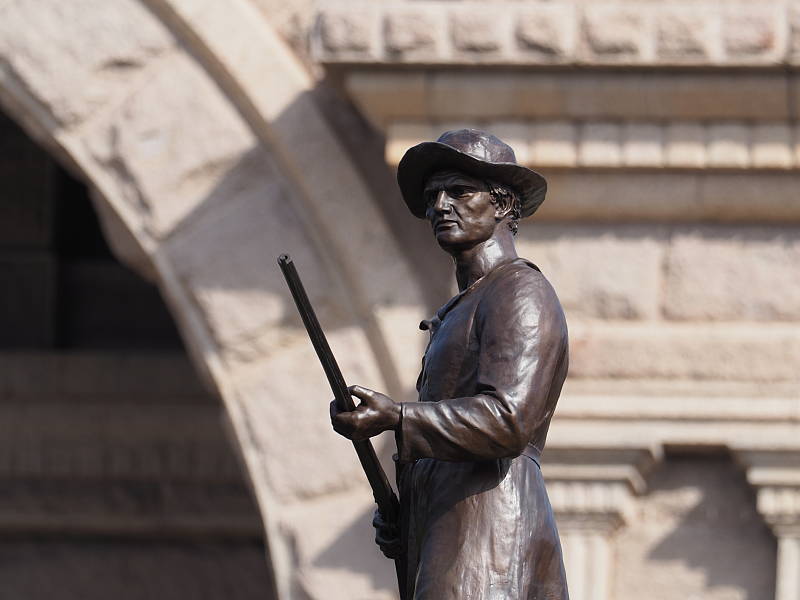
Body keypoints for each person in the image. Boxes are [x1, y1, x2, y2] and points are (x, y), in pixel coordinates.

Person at [330, 129, 570, 600]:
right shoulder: (462, 307)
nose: (440, 205)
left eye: (459, 191)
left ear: (503, 204)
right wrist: (407, 514)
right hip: (456, 531)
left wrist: (398, 417)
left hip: (493, 534)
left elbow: (508, 421)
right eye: (432, 196)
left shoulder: (519, 291)